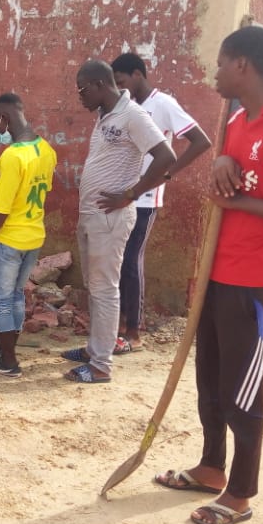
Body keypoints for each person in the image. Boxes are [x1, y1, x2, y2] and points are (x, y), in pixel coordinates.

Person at [153, 25, 263, 524]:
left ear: (243, 66)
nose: (214, 73)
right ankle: (211, 468)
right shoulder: (236, 120)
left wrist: (240, 203)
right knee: (210, 377)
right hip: (215, 273)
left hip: (252, 280)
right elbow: (231, 168)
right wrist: (224, 158)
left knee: (243, 388)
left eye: (221, 63)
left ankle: (241, 494)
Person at [64, 60, 176, 383]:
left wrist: (131, 194)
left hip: (111, 218)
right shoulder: (105, 114)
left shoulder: (133, 115)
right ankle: (93, 349)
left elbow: (166, 158)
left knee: (105, 289)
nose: (80, 97)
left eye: (83, 90)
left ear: (100, 84)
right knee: (95, 287)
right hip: (92, 215)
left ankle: (100, 367)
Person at [110, 53, 213, 352]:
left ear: (138, 75)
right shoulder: (125, 107)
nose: (120, 88)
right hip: (121, 194)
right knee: (117, 262)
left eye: (122, 81)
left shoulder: (163, 104)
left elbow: (200, 140)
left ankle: (134, 333)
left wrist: (169, 173)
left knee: (131, 260)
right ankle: (115, 328)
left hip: (144, 197)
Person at [0, 93, 57, 378]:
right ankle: (5, 349)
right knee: (16, 297)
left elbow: (1, 207)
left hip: (9, 239)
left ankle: (8, 361)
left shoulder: (12, 157)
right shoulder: (47, 150)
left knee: (1, 300)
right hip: (34, 237)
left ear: (5, 118)